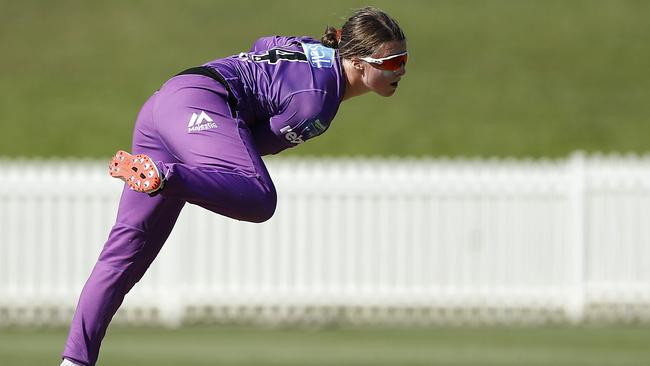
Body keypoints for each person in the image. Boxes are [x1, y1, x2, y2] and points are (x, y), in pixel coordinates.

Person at [60, 6, 407, 366]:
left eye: (404, 59)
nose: (402, 70)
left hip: (167, 101)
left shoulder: (309, 49)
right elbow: (249, 151)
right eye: (393, 62)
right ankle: (164, 176)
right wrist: (180, 174)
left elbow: (265, 42)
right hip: (200, 108)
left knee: (126, 253)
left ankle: (74, 362)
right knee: (260, 198)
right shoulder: (316, 105)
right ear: (357, 62)